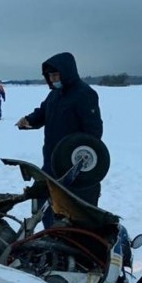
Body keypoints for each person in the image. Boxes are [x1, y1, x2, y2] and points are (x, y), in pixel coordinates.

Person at [16, 52, 103, 206]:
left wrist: (81, 160)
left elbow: (93, 133)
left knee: (72, 211)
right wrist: (28, 120)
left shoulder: (85, 94)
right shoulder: (55, 95)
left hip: (73, 167)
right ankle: (50, 231)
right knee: (46, 205)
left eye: (56, 75)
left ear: (67, 73)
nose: (53, 79)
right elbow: (42, 112)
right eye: (50, 76)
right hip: (51, 161)